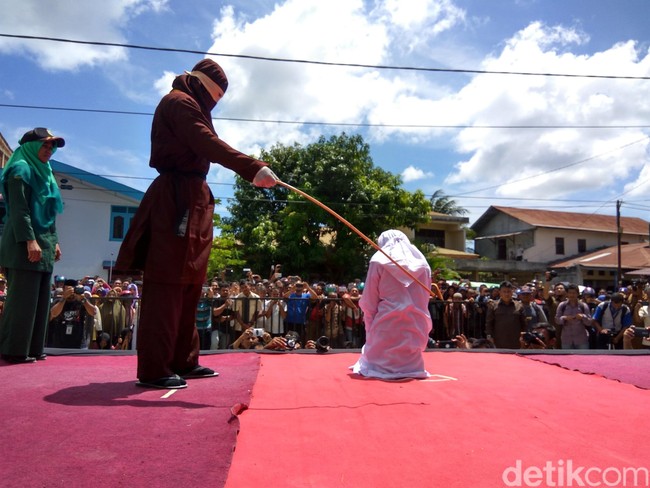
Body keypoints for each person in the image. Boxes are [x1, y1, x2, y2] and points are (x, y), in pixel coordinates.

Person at [114, 58, 279, 389]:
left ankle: (183, 361)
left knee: (190, 285)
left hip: (194, 198)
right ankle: (154, 367)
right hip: (175, 200)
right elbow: (205, 142)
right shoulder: (178, 102)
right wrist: (251, 168)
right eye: (213, 96)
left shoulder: (193, 104)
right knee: (166, 285)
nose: (214, 104)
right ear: (200, 85)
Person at [0, 128, 65, 363]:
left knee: (39, 303)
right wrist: (30, 240)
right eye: (44, 145)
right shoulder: (20, 169)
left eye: (51, 147)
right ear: (29, 146)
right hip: (23, 244)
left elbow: (49, 213)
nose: (49, 151)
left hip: (44, 244)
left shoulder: (46, 172)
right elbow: (19, 210)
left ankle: (33, 348)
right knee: (22, 301)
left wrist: (54, 241)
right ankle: (13, 350)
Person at [351, 230, 432, 379]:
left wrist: (370, 328)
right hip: (416, 325)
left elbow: (369, 301)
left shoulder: (378, 260)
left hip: (386, 324)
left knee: (377, 355)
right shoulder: (423, 264)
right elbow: (423, 299)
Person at [486, 281, 527, 349]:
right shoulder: (493, 305)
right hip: (499, 341)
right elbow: (489, 323)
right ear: (500, 292)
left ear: (512, 292)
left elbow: (524, 324)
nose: (506, 294)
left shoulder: (519, 306)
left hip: (515, 342)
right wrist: (489, 336)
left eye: (508, 291)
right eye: (504, 291)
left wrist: (524, 338)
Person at [555, 283, 591, 349]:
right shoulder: (562, 305)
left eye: (574, 293)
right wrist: (565, 318)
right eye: (570, 293)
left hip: (581, 340)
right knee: (567, 359)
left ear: (577, 294)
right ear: (567, 294)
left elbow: (589, 322)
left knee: (583, 359)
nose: (572, 295)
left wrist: (583, 317)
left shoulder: (583, 306)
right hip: (566, 340)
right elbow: (557, 320)